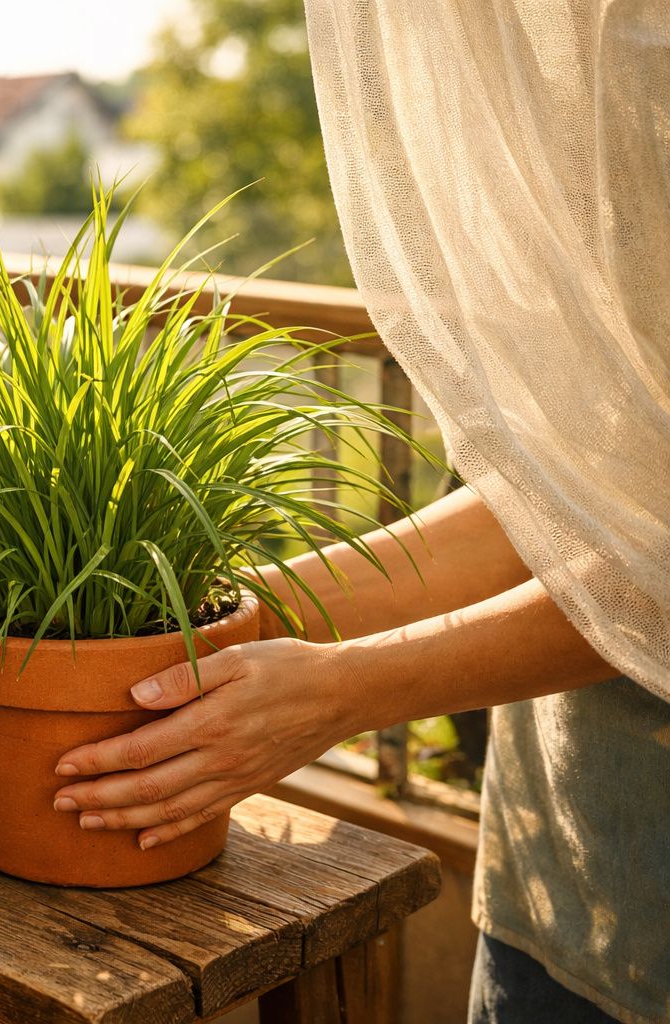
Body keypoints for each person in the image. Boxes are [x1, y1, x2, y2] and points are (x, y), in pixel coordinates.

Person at [53, 3, 670, 1020]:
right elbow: (586, 506)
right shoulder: (605, 63)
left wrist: (341, 693)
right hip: (556, 882)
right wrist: (252, 611)